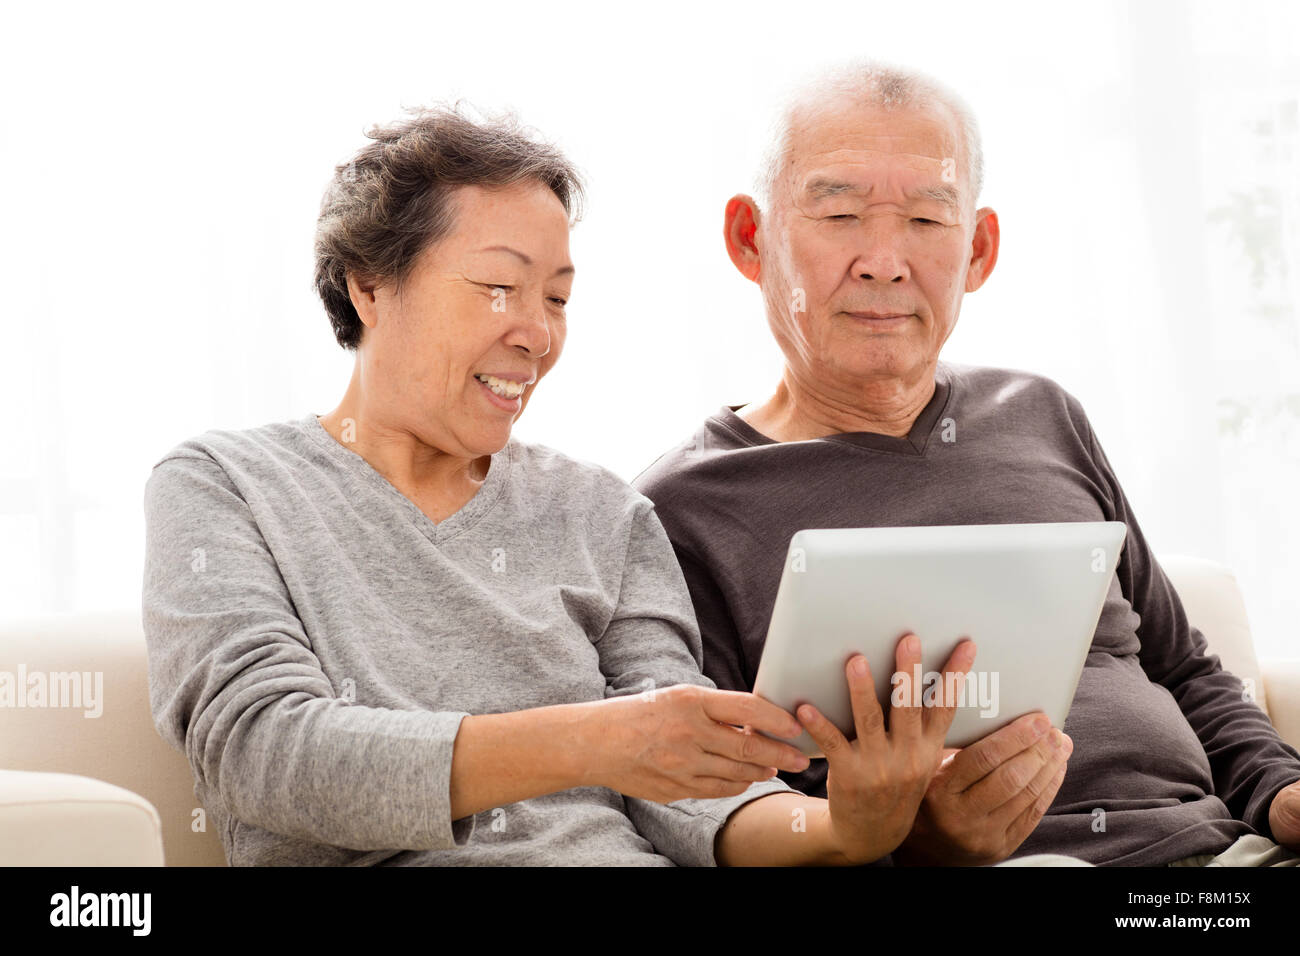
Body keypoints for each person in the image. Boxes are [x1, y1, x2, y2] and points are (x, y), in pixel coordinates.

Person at [141, 102, 980, 866]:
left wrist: (843, 828)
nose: (538, 334)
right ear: (370, 284)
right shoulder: (226, 486)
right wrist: (596, 741)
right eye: (498, 287)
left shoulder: (600, 511)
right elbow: (262, 755)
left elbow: (686, 785)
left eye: (557, 298)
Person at [632, 59, 1300, 867]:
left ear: (979, 249)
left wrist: (1281, 791)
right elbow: (720, 808)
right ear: (751, 238)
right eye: (839, 213)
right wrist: (919, 846)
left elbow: (1183, 666)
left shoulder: (1043, 414)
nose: (884, 260)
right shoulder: (680, 508)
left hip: (1228, 860)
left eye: (926, 220)